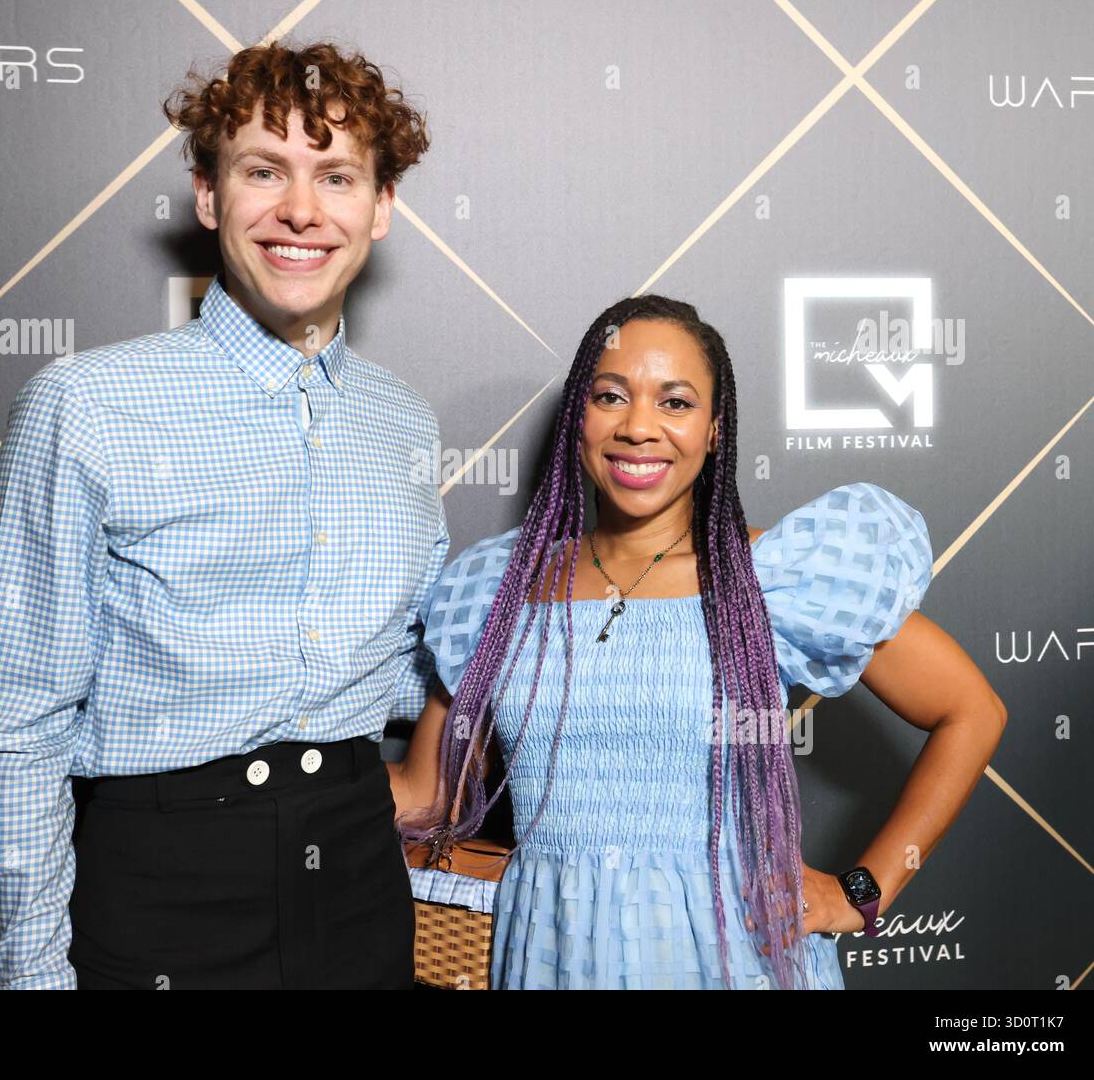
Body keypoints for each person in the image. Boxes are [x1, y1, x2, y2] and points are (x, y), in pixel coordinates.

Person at [0, 41, 446, 989]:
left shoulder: (405, 421)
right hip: (161, 895)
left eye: (336, 176)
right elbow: (17, 727)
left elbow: (416, 664)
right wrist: (31, 977)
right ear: (210, 195)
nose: (301, 210)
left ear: (381, 207)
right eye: (265, 170)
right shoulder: (87, 404)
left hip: (359, 886)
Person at [390, 295, 1008, 990]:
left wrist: (862, 892)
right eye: (611, 396)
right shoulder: (498, 587)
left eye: (675, 403)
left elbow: (972, 711)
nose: (639, 427)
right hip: (549, 951)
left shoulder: (769, 579)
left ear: (715, 430)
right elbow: (423, 796)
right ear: (578, 418)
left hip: (730, 955)